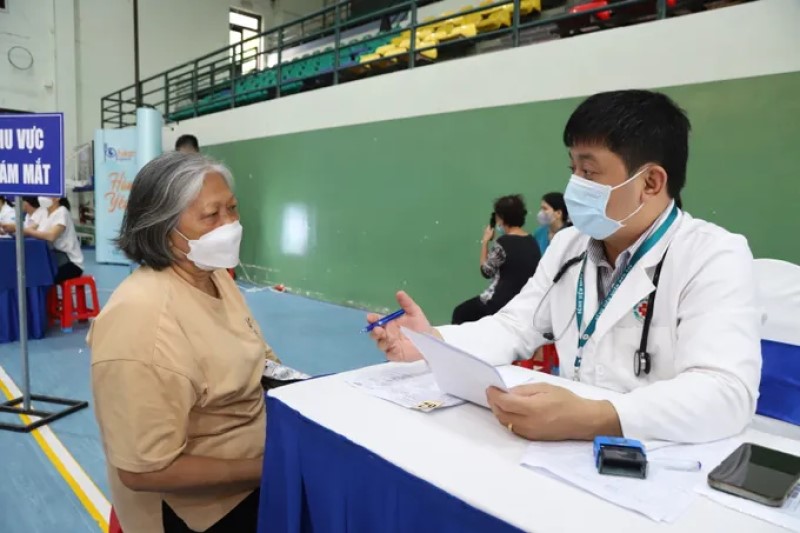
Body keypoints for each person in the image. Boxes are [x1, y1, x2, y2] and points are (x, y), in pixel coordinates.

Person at [368, 90, 761, 444]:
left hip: (660, 456)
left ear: (651, 182)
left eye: (589, 172)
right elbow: (515, 327)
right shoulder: (569, 245)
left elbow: (726, 392)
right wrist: (431, 341)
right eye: (573, 169)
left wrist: (596, 418)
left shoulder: (713, 255)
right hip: (565, 449)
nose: (575, 186)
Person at [88, 152, 277, 533]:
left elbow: (258, 355)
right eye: (211, 215)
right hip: (204, 508)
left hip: (255, 455)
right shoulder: (142, 322)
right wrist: (268, 469)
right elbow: (144, 470)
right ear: (162, 228)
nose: (230, 225)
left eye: (232, 208)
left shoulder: (211, 275)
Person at [452, 195, 541, 324]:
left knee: (460, 313)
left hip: (498, 303)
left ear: (501, 218)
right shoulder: (532, 241)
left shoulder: (503, 243)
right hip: (522, 303)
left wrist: (485, 241)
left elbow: (486, 271)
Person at [24, 196, 84, 284]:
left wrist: (29, 232)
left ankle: (40, 293)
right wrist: (13, 229)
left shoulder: (62, 212)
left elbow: (51, 236)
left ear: (57, 197)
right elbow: (30, 229)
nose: (42, 197)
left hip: (70, 262)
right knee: (30, 271)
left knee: (38, 276)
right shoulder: (43, 212)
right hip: (53, 258)